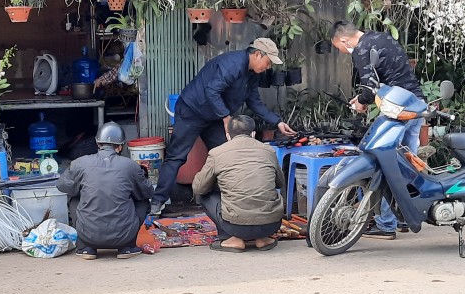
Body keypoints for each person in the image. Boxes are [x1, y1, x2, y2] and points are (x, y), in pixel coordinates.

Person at [150, 38, 297, 216]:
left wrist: (278, 122)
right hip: (192, 111)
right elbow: (212, 90)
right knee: (176, 157)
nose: (268, 67)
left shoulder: (252, 75)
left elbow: (255, 102)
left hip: (214, 117)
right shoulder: (233, 64)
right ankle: (157, 202)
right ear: (258, 54)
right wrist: (226, 118)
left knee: (227, 155)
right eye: (268, 62)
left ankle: (229, 201)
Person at [331, 21, 425, 240]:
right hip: (417, 104)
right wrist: (365, 97)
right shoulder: (384, 38)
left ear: (344, 40)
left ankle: (385, 224)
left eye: (339, 48)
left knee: (387, 164)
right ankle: (405, 216)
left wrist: (361, 103)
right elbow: (393, 77)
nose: (343, 52)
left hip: (399, 111)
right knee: (408, 163)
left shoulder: (361, 49)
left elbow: (370, 86)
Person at [57, 122, 154, 259]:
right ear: (120, 147)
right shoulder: (130, 166)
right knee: (142, 200)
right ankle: (127, 247)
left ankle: (85, 247)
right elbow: (148, 192)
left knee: (73, 197)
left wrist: (84, 189)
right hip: (124, 236)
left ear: (98, 144)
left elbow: (62, 185)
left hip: (88, 235)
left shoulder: (80, 163)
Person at [192, 115, 284, 252]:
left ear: (227, 135)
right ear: (253, 134)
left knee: (203, 195)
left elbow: (198, 188)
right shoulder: (269, 151)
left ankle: (232, 239)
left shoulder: (217, 153)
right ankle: (263, 239)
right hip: (271, 224)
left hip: (235, 226)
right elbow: (280, 183)